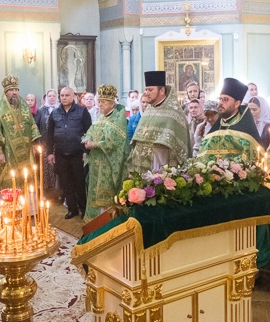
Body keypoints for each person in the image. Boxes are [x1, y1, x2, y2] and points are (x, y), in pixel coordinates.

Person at [126, 71, 191, 176]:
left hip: (162, 170)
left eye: (150, 90)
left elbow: (180, 146)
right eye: (146, 89)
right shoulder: (148, 110)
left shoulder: (174, 112)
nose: (146, 93)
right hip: (142, 170)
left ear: (162, 90)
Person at [0, 76, 39, 189]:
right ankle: (10, 204)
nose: (14, 92)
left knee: (26, 178)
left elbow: (32, 126)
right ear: (6, 93)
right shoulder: (0, 108)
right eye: (11, 90)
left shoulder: (24, 106)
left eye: (16, 90)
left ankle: (26, 203)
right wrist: (0, 152)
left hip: (26, 150)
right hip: (8, 151)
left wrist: (34, 144)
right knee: (10, 179)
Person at [82, 85, 129, 221]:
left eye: (103, 101)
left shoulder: (117, 120)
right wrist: (87, 140)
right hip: (96, 164)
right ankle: (94, 224)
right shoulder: (101, 118)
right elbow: (91, 132)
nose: (99, 104)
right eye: (99, 101)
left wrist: (95, 144)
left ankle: (107, 225)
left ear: (112, 103)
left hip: (108, 165)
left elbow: (114, 141)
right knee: (95, 194)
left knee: (105, 197)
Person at [45, 86, 92, 220]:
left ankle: (83, 209)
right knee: (66, 184)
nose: (64, 98)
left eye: (67, 95)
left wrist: (86, 152)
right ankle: (72, 209)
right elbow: (49, 135)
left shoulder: (82, 111)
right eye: (62, 95)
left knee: (79, 183)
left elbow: (89, 132)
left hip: (78, 153)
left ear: (73, 96)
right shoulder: (55, 113)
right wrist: (50, 153)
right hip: (60, 154)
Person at [198, 77, 264, 163]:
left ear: (237, 104)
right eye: (220, 99)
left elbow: (254, 161)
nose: (221, 103)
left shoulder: (246, 132)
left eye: (225, 99)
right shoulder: (216, 128)